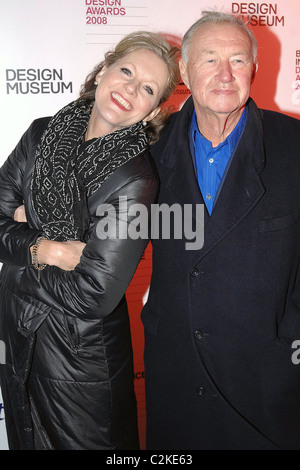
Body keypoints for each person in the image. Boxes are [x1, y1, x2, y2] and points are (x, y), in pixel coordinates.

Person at [0, 31, 179, 450]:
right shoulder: (41, 134)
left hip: (80, 362)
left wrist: (15, 265)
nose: (131, 89)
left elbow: (92, 294)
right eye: (126, 71)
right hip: (21, 338)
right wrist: (51, 249)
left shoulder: (137, 179)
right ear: (102, 72)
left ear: (153, 110)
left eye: (148, 88)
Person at [142, 11, 300, 450]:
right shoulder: (148, 147)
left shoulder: (295, 146)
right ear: (185, 72)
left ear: (254, 69)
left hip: (266, 383)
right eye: (210, 59)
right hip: (176, 375)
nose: (225, 74)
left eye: (238, 60)